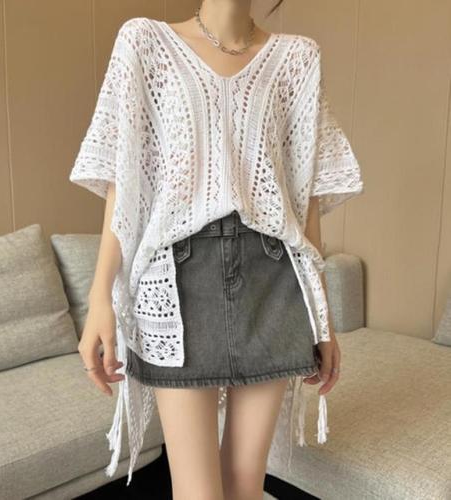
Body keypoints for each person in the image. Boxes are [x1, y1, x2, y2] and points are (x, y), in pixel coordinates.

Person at [69, 0, 364, 498]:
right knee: (198, 492)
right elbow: (126, 180)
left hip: (275, 277)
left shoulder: (298, 58)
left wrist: (323, 318)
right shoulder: (145, 42)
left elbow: (305, 198)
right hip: (176, 282)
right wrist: (100, 297)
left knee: (245, 485)